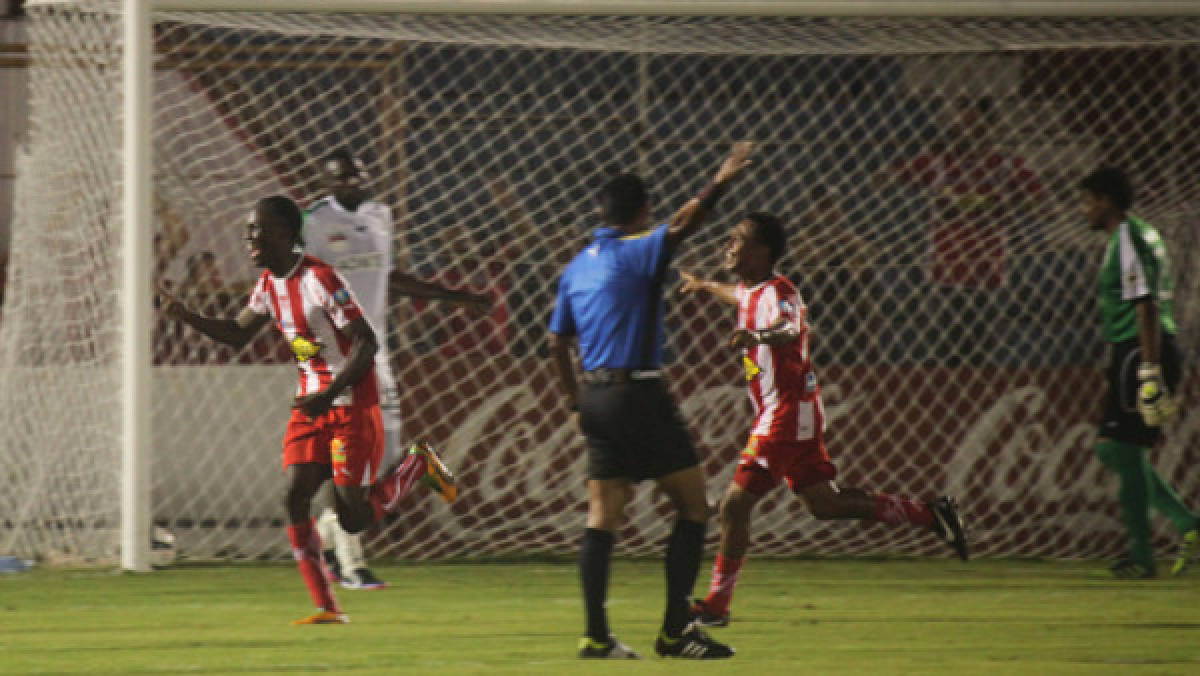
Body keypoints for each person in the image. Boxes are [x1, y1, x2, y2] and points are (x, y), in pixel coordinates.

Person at [159, 196, 443, 624]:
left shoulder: (321, 278)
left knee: (352, 518)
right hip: (312, 405)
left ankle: (417, 464)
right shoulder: (268, 285)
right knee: (294, 496)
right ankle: (326, 607)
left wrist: (330, 394)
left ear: (289, 235)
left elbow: (366, 343)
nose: (251, 238)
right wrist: (186, 315)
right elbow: (238, 334)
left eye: (261, 230)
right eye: (249, 231)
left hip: (350, 402)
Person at [678, 212, 969, 628]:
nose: (728, 244)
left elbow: (789, 327)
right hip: (792, 413)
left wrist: (757, 337)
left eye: (737, 239)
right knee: (825, 504)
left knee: (735, 506)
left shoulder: (782, 292)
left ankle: (717, 606)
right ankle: (931, 515)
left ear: (760, 251)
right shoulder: (752, 292)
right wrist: (707, 287)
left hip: (785, 413)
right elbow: (739, 298)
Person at [549, 141, 753, 660]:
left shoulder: (576, 267)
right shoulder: (638, 249)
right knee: (693, 506)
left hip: (595, 396)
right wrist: (722, 179)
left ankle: (596, 636)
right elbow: (687, 222)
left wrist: (575, 401)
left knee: (602, 517)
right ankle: (673, 633)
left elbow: (555, 342)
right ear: (641, 214)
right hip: (638, 392)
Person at [303, 150, 487, 590]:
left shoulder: (381, 216)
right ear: (327, 184)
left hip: (377, 352)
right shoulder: (313, 223)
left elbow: (388, 278)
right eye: (343, 179)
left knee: (384, 456)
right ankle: (351, 562)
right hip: (338, 354)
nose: (354, 183)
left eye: (358, 176)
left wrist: (454, 296)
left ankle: (326, 533)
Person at [1078, 166, 1197, 579]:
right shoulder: (1145, 234)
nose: (1085, 210)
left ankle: (1148, 552)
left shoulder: (1127, 238)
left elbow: (1144, 303)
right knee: (1121, 449)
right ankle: (1178, 530)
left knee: (1117, 449)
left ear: (1107, 201)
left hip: (1140, 349)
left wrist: (1147, 370)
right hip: (1141, 349)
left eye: (1090, 201)